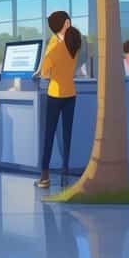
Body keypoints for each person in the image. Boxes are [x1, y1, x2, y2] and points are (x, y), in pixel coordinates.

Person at [35, 12, 81, 189]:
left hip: (55, 94)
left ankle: (44, 177)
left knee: (49, 136)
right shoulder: (75, 43)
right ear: (67, 23)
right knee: (67, 135)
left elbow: (45, 72)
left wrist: (43, 71)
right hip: (71, 93)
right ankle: (65, 174)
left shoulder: (53, 47)